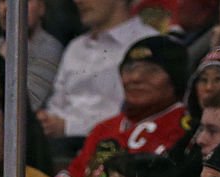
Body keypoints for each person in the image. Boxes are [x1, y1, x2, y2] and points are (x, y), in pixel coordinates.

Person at [56, 35, 189, 177]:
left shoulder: (184, 128)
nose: (135, 78)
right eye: (129, 69)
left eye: (150, 71)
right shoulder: (104, 128)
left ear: (175, 78)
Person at [37, 0, 158, 157]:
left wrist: (69, 127)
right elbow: (57, 103)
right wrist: (45, 120)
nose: (78, 1)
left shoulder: (148, 44)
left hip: (116, 151)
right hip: (58, 147)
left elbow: (138, 116)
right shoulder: (75, 47)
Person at [0, 0, 63, 112]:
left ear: (41, 7)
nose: (8, 7)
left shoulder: (50, 48)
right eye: (3, 1)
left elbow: (28, 103)